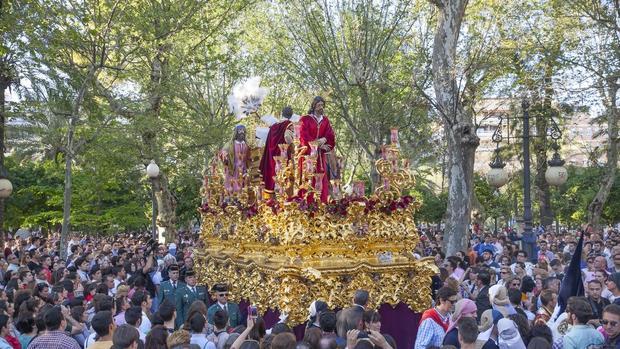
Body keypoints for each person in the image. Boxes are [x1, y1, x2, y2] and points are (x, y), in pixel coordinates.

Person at [298, 96, 336, 203]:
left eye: (322, 105)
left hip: (320, 156)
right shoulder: (305, 119)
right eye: (319, 105)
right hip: (308, 155)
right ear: (314, 105)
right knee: (308, 177)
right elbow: (303, 136)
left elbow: (330, 136)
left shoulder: (325, 120)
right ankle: (307, 202)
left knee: (320, 177)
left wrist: (324, 141)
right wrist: (316, 144)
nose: (321, 107)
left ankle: (321, 202)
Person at [259, 106, 295, 198]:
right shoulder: (289, 124)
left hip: (271, 157)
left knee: (273, 176)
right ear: (291, 115)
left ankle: (271, 200)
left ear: (282, 113)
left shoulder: (274, 126)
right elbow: (288, 138)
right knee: (283, 177)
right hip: (283, 156)